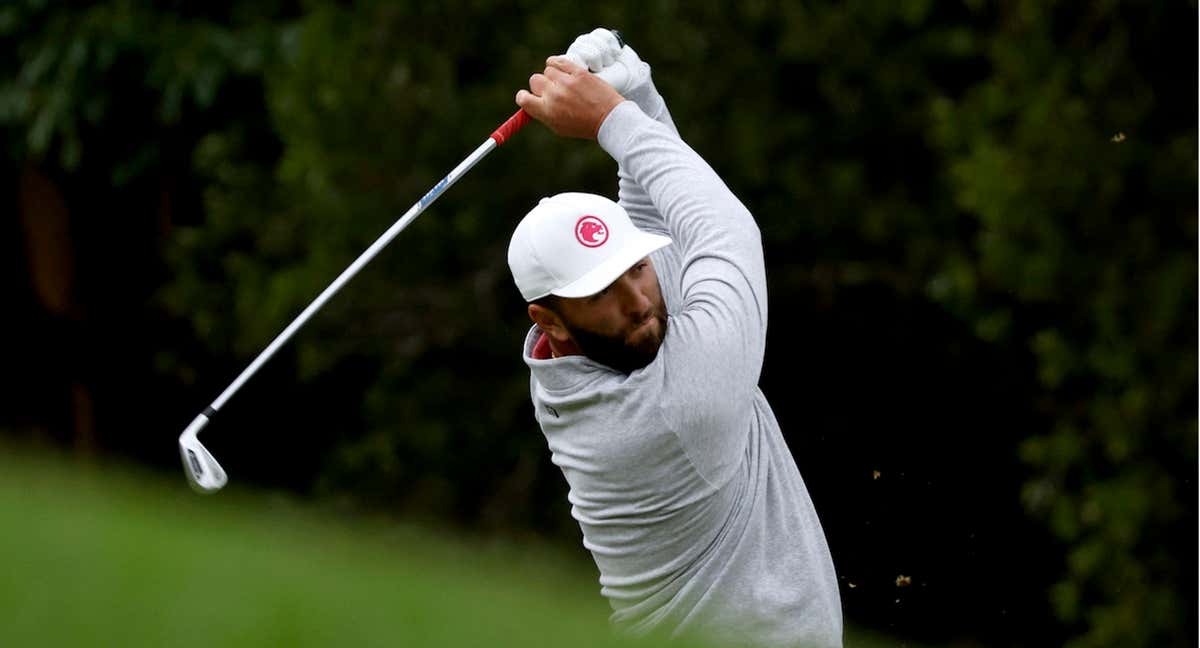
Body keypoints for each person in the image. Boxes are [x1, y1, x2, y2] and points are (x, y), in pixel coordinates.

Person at [507, 29, 843, 648]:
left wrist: (638, 98)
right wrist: (614, 118)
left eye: (635, 269)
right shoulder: (673, 410)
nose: (638, 302)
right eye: (602, 292)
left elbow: (661, 219)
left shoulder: (583, 356)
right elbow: (725, 231)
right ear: (547, 320)